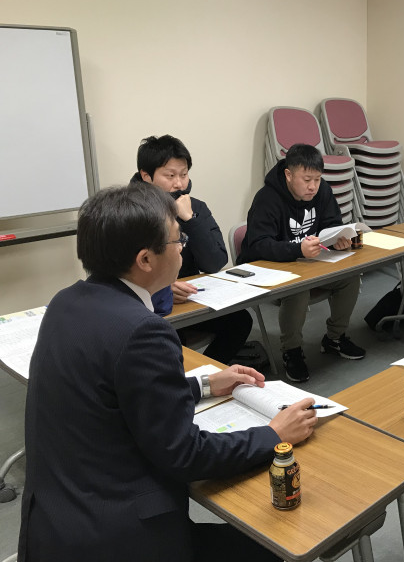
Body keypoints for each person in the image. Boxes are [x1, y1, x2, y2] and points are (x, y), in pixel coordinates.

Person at [18, 183, 318, 562]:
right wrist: (273, 435)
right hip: (120, 539)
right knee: (282, 546)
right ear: (145, 259)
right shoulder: (143, 331)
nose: (182, 248)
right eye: (179, 239)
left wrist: (204, 384)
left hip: (55, 528)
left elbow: (114, 393)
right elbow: (185, 455)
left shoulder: (65, 302)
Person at [238, 143, 364, 383]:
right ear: (288, 174)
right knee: (298, 288)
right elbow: (258, 245)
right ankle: (292, 350)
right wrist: (297, 250)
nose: (313, 186)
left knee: (350, 276)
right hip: (269, 268)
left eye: (317, 179)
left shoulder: (322, 191)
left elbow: (331, 224)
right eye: (307, 180)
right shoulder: (267, 198)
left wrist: (337, 240)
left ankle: (335, 338)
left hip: (308, 262)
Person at [132, 134, 253, 365]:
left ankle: (206, 373)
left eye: (184, 174)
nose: (179, 183)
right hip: (148, 305)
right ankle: (181, 378)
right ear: (146, 176)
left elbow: (215, 262)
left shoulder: (194, 207)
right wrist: (162, 288)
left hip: (189, 296)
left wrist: (190, 219)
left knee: (239, 321)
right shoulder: (130, 212)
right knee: (168, 340)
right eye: (170, 176)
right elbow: (121, 271)